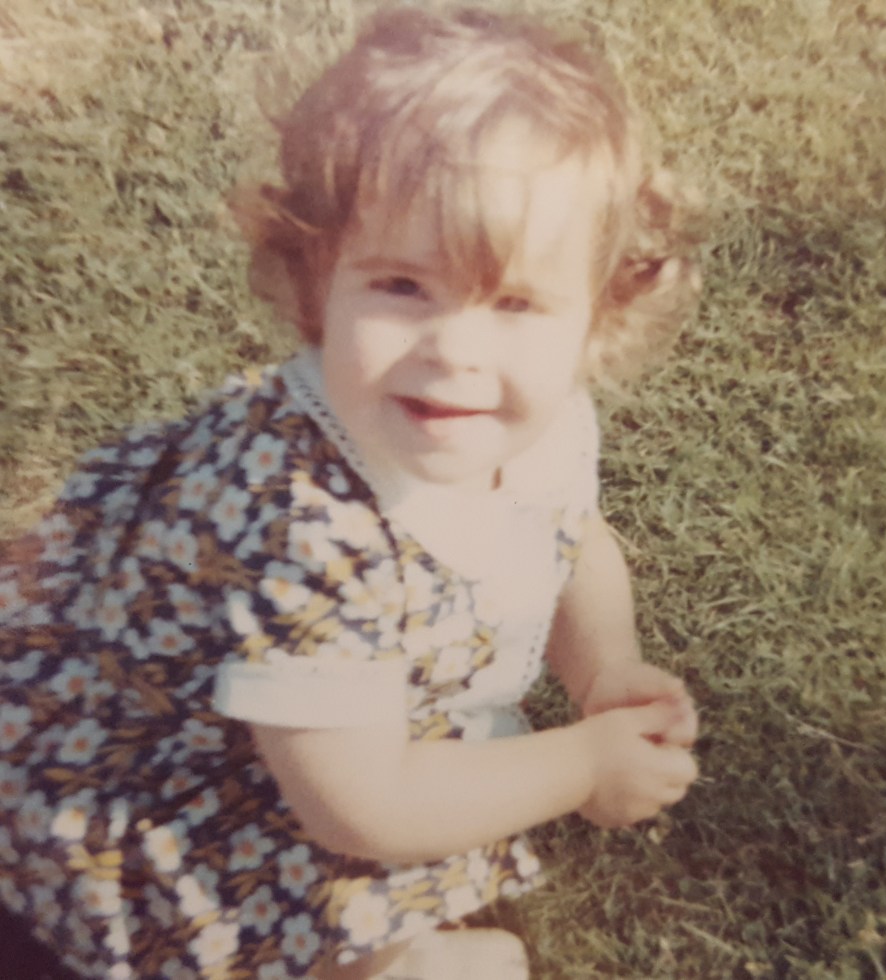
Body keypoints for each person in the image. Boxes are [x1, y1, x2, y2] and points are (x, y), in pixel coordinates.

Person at [0, 5, 703, 978]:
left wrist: (603, 674)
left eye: (514, 302)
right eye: (403, 286)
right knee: (320, 907)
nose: (455, 351)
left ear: (594, 318)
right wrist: (582, 764)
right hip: (186, 763)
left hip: (321, 716)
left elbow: (568, 535)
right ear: (315, 274)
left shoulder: (541, 416)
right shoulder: (302, 528)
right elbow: (363, 805)